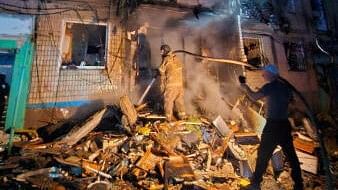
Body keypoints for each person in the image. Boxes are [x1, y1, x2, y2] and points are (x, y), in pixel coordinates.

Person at [239, 64, 303, 190]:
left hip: (273, 126)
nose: (263, 75)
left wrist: (244, 86)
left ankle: (256, 183)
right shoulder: (286, 87)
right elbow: (291, 103)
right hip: (284, 125)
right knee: (291, 155)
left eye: (265, 73)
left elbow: (253, 96)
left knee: (263, 154)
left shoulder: (270, 86)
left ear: (271, 74)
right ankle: (299, 184)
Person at [158, 44, 186, 121]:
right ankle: (182, 116)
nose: (161, 53)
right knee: (179, 100)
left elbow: (161, 70)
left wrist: (158, 71)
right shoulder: (176, 58)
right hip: (179, 85)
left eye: (162, 51)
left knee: (168, 101)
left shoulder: (166, 59)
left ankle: (168, 118)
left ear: (165, 51)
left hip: (171, 85)